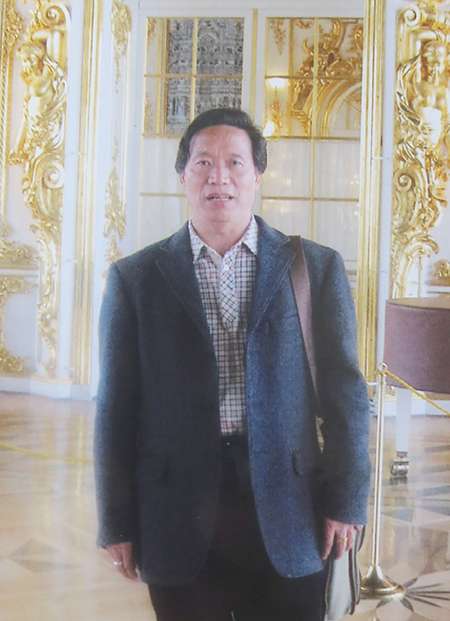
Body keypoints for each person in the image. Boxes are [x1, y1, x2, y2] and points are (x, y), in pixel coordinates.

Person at [94, 108, 371, 621]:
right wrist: (116, 521)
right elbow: (115, 410)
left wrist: (347, 501)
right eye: (203, 162)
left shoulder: (314, 269)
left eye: (235, 163)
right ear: (183, 175)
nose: (218, 177)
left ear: (257, 175)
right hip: (177, 511)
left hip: (291, 509)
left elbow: (347, 398)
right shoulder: (136, 279)